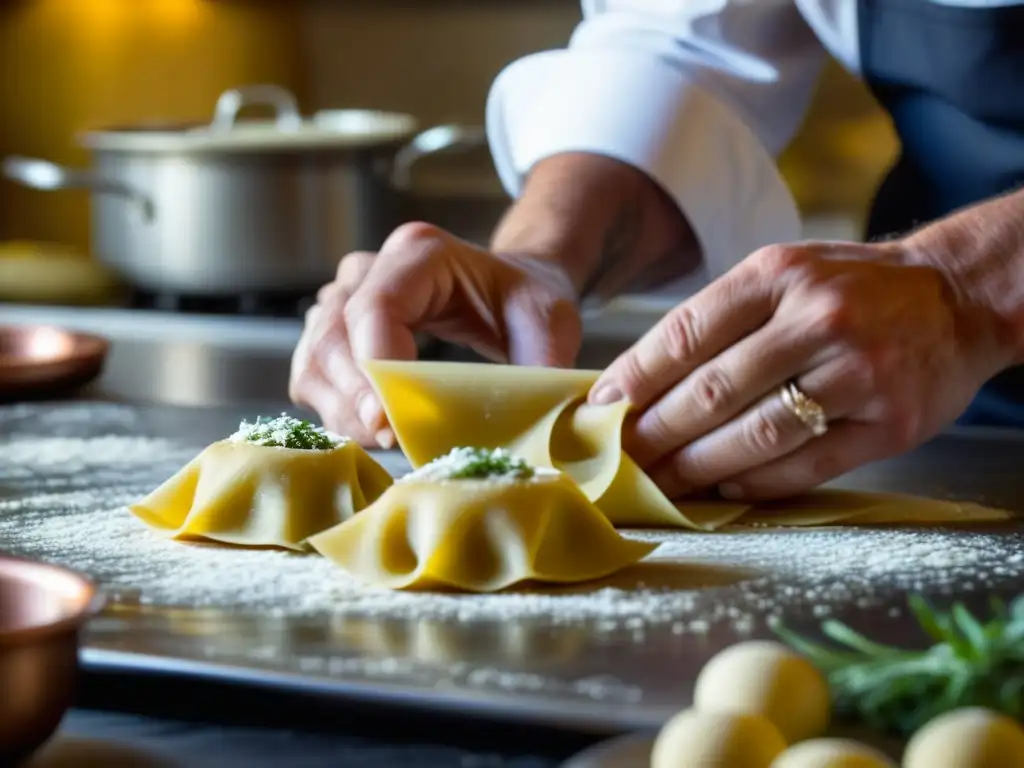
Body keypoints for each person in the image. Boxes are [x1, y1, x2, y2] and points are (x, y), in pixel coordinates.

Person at [289, 0, 1024, 501]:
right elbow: (689, 43)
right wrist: (543, 256)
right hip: (959, 427)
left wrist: (973, 289)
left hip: (938, 341)